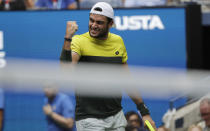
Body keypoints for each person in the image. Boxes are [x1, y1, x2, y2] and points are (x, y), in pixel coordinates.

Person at [60, 2, 156, 131]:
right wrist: (67, 38)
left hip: (117, 117)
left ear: (110, 24)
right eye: (91, 20)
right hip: (89, 119)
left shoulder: (118, 41)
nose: (93, 25)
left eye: (99, 22)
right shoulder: (79, 41)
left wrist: (144, 112)